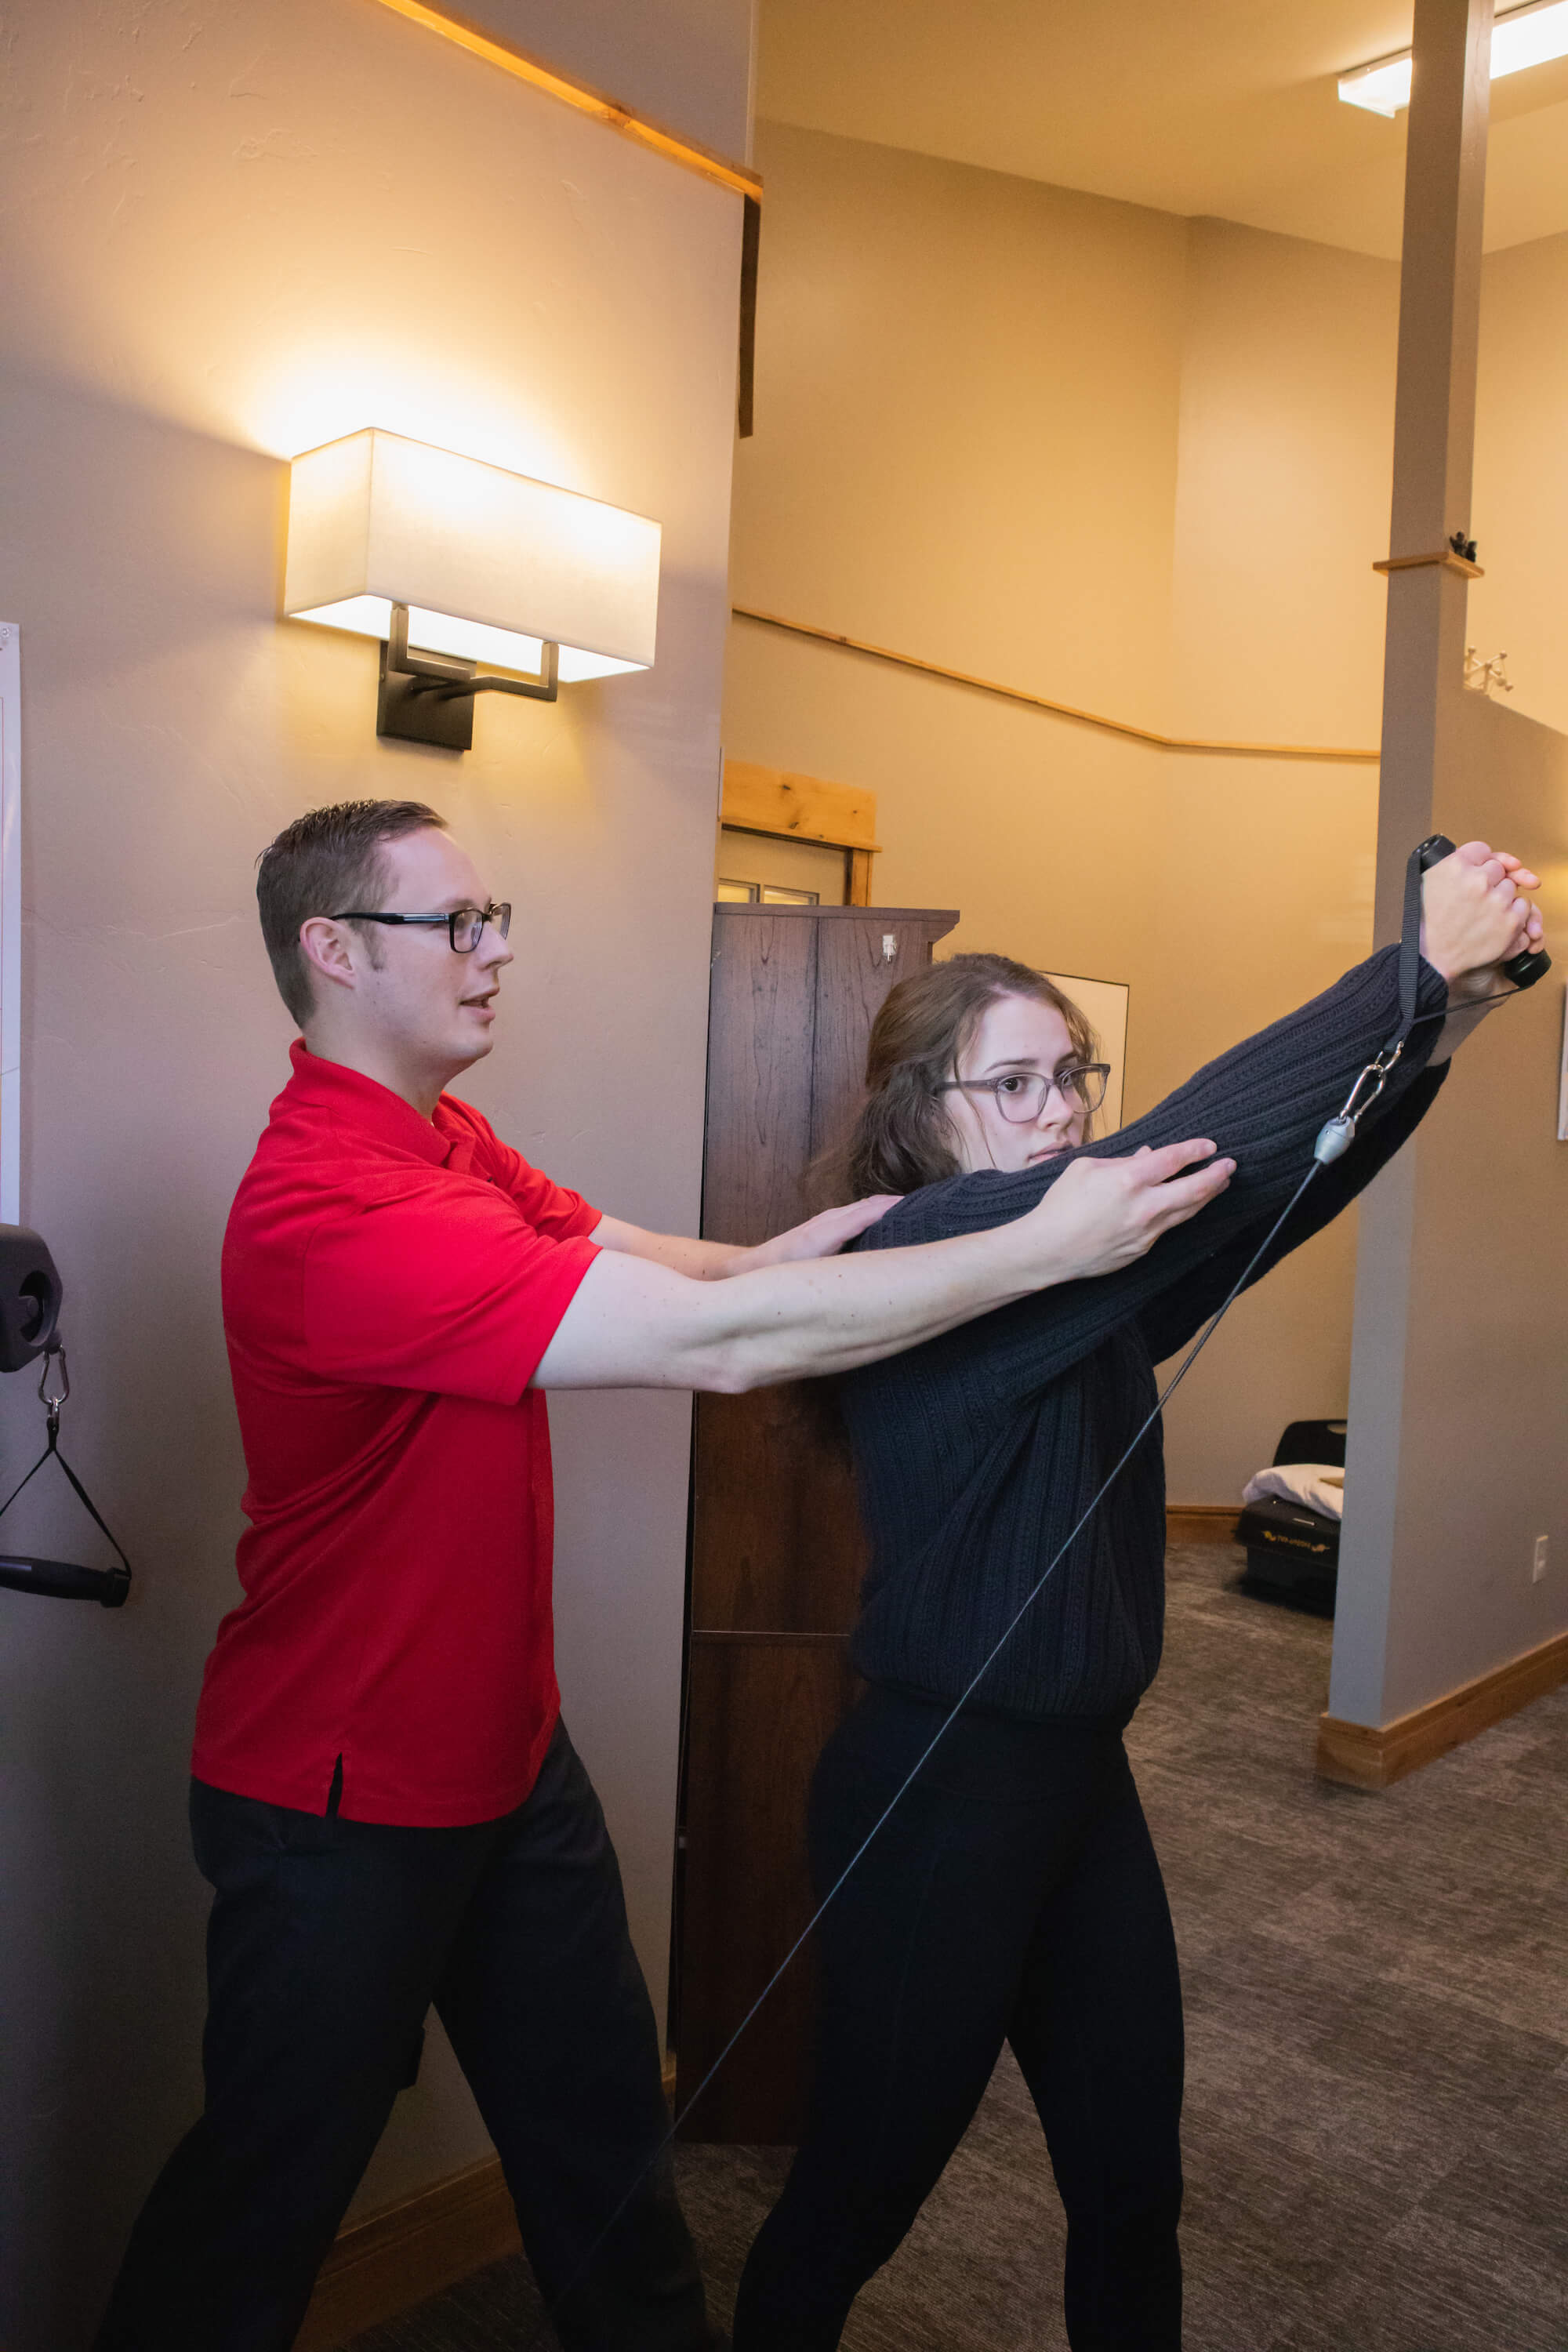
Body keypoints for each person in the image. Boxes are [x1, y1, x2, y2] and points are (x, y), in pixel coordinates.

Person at [93, 797, 1239, 2352]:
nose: (498, 951)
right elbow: (720, 1349)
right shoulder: (331, 1213)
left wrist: (885, 1228)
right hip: (335, 1801)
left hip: (509, 1763)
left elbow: (697, 1272)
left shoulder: (444, 1139)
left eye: (500, 918)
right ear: (336, 949)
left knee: (603, 2160)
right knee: (264, 2201)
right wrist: (1047, 1247)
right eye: (460, 925)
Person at [731, 840, 1544, 2352]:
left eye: (1074, 1078)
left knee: (1131, 2189)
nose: (1062, 1115)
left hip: (1075, 1787)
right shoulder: (937, 1250)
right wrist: (1409, 971)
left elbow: (1275, 1186)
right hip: (939, 1796)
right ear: (924, 1120)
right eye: (1017, 1085)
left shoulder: (1066, 1266)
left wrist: (1454, 1023)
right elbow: (1199, 1139)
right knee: (857, 2201)